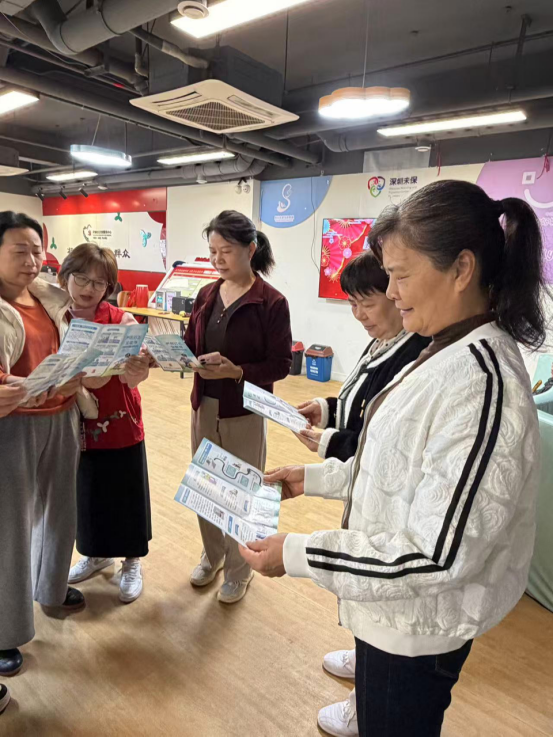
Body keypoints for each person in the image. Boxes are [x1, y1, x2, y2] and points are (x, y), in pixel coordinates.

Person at [241, 180, 545, 738]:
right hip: (389, 608)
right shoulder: (444, 346)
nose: (391, 292)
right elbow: (397, 464)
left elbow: (436, 556)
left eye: (401, 276)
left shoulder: (482, 383)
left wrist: (298, 552)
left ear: (461, 269)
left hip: (415, 628)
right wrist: (312, 478)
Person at [295, 251, 430, 737]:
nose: (359, 314)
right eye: (352, 303)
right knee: (365, 590)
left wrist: (328, 443)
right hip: (363, 491)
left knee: (379, 589)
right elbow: (362, 407)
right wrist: (327, 408)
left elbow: (383, 445)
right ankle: (364, 656)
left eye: (367, 302)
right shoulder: (383, 342)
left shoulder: (418, 356)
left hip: (389, 504)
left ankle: (365, 697)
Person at [0, 212, 91, 678]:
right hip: (13, 426)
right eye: (20, 251)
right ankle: (6, 628)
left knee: (60, 511)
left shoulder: (49, 297)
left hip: (62, 413)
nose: (32, 261)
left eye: (37, 251)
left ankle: (51, 586)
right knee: (11, 527)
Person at [185, 210, 292, 604]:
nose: (217, 259)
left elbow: (281, 364)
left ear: (251, 249)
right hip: (204, 405)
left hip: (245, 410)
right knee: (206, 486)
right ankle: (212, 555)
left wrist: (237, 372)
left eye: (225, 251)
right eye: (212, 251)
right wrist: (174, 357)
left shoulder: (271, 302)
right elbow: (190, 344)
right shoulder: (206, 295)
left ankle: (239, 569)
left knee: (242, 492)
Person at [60, 244, 152, 604]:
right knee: (88, 491)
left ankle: (132, 561)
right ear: (65, 276)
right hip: (73, 423)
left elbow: (134, 378)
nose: (89, 288)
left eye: (99, 283)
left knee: (126, 488)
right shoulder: (56, 317)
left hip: (119, 420)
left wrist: (138, 367)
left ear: (109, 287)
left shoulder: (121, 320)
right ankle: (96, 554)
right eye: (82, 278)